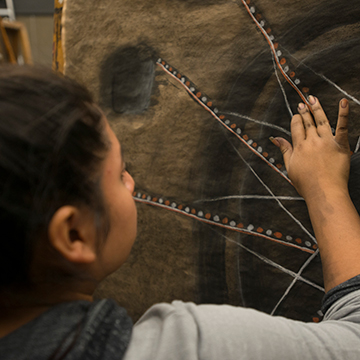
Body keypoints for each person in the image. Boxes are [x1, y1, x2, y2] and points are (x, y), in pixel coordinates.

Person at [1, 65, 360, 360]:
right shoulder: (189, 347)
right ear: (74, 234)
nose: (131, 183)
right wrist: (324, 188)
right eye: (121, 171)